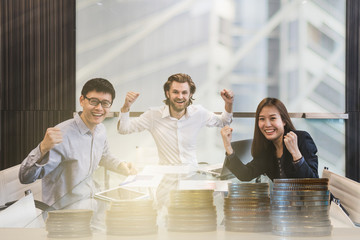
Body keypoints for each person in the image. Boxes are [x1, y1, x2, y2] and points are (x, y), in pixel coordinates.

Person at [19, 78, 137, 209]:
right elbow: (25, 177)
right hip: (64, 215)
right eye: (93, 101)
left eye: (105, 103)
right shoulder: (62, 135)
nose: (99, 108)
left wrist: (123, 166)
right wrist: (42, 148)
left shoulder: (100, 130)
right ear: (82, 101)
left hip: (91, 204)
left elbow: (104, 156)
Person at [117, 73, 234, 167]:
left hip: (191, 175)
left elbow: (224, 122)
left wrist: (228, 104)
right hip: (166, 178)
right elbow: (124, 129)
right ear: (167, 93)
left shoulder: (198, 113)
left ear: (190, 94)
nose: (180, 96)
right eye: (175, 92)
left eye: (184, 92)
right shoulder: (153, 115)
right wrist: (126, 107)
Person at [221, 97, 319, 181]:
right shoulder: (267, 149)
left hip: (310, 202)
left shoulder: (301, 138)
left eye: (272, 118)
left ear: (284, 121)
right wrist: (228, 147)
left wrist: (296, 154)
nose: (267, 124)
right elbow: (246, 174)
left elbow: (314, 183)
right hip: (284, 201)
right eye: (262, 119)